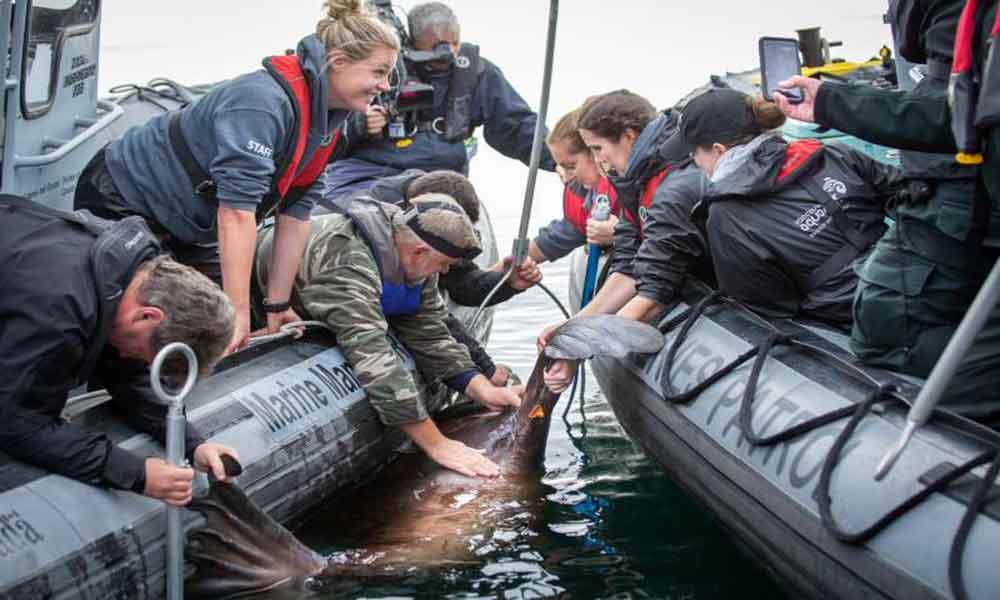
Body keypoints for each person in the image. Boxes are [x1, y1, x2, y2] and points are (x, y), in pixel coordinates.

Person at [74, 0, 401, 354]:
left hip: (192, 222)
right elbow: (236, 212)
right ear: (338, 63)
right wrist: (237, 314)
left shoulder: (327, 122)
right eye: (378, 72)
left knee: (211, 318)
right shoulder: (262, 103)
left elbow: (296, 212)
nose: (384, 85)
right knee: (157, 317)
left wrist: (276, 305)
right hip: (126, 195)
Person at [774, 0, 1000, 421]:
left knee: (887, 321)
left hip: (967, 207)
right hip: (962, 199)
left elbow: (960, 108)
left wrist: (832, 102)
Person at [254, 194, 523, 477]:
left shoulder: (415, 252)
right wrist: (436, 443)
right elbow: (373, 356)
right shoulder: (348, 262)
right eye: (444, 264)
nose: (444, 272)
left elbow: (429, 330)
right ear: (419, 251)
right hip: (261, 303)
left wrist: (482, 388)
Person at [0, 195, 238, 507]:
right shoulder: (62, 313)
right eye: (143, 354)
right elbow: (16, 422)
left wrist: (191, 444)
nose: (131, 358)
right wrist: (135, 473)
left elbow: (128, 376)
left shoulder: (127, 272)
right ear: (148, 316)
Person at [675, 88, 901, 327]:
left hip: (861, 326)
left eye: (694, 153)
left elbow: (764, 310)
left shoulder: (725, 217)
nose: (696, 162)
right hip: (919, 282)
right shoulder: (832, 152)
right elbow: (913, 197)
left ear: (719, 150)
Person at [539, 90, 713, 393]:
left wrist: (578, 352)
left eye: (597, 149)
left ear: (630, 136)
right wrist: (572, 330)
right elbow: (629, 266)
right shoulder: (636, 182)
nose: (598, 160)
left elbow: (655, 292)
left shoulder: (674, 190)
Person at [315, 168, 540, 386]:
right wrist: (486, 369)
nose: (443, 270)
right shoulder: (367, 241)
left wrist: (506, 282)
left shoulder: (429, 233)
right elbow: (423, 321)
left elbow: (457, 287)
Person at [321, 1, 555, 205]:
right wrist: (360, 124)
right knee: (330, 214)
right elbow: (324, 127)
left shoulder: (476, 73)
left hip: (436, 177)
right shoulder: (380, 64)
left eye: (450, 49)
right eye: (432, 56)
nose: (442, 61)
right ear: (411, 42)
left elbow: (516, 126)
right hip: (363, 174)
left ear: (458, 41)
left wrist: (564, 159)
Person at [525, 106, 620, 265]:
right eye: (561, 167)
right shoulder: (586, 197)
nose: (566, 177)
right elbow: (556, 239)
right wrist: (506, 268)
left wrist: (620, 234)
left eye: (570, 166)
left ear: (594, 152)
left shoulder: (632, 189)